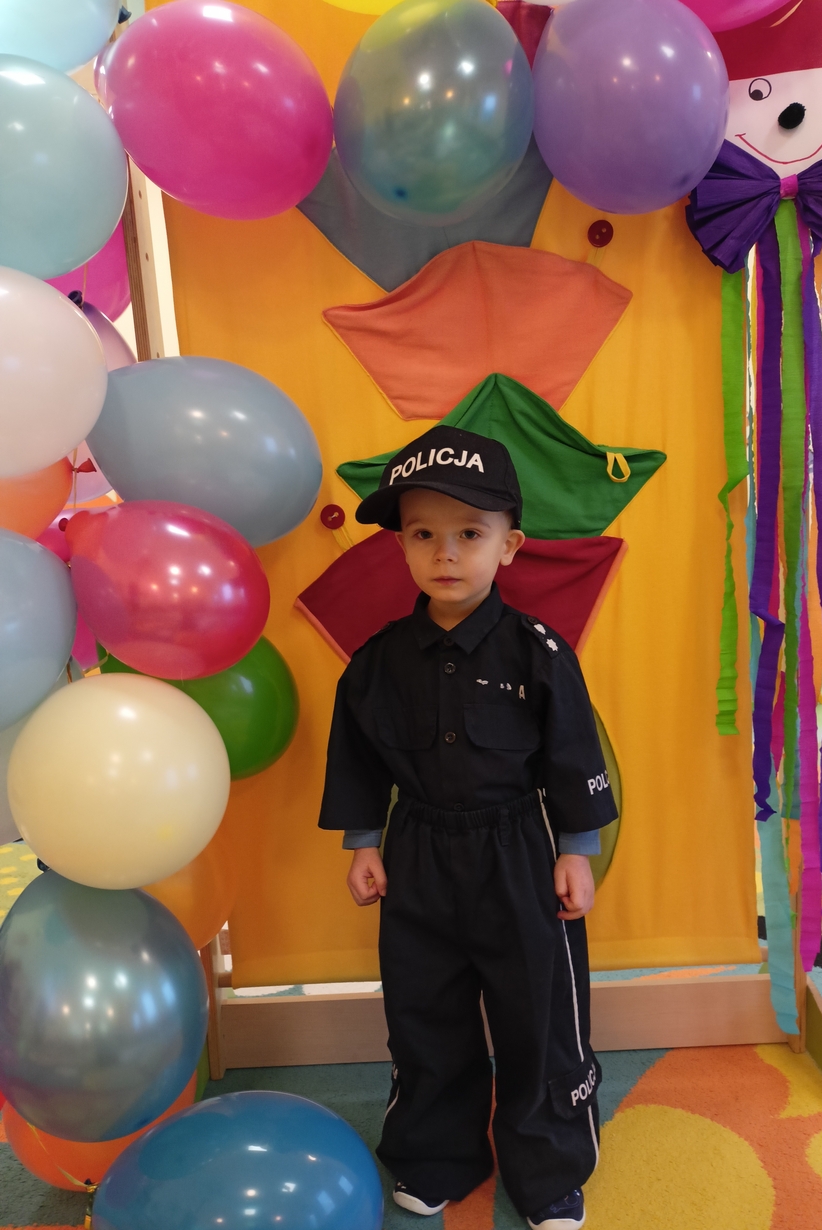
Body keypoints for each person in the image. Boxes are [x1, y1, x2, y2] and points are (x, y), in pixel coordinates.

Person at [318, 424, 616, 1230]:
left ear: (508, 546)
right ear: (401, 545)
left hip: (518, 855)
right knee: (424, 1013)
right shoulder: (377, 661)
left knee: (539, 1019)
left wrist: (576, 852)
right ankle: (435, 1153)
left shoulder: (538, 652)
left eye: (469, 534)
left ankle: (547, 1167)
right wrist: (363, 842)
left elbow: (572, 753)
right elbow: (356, 757)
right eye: (423, 534)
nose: (445, 553)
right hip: (417, 857)